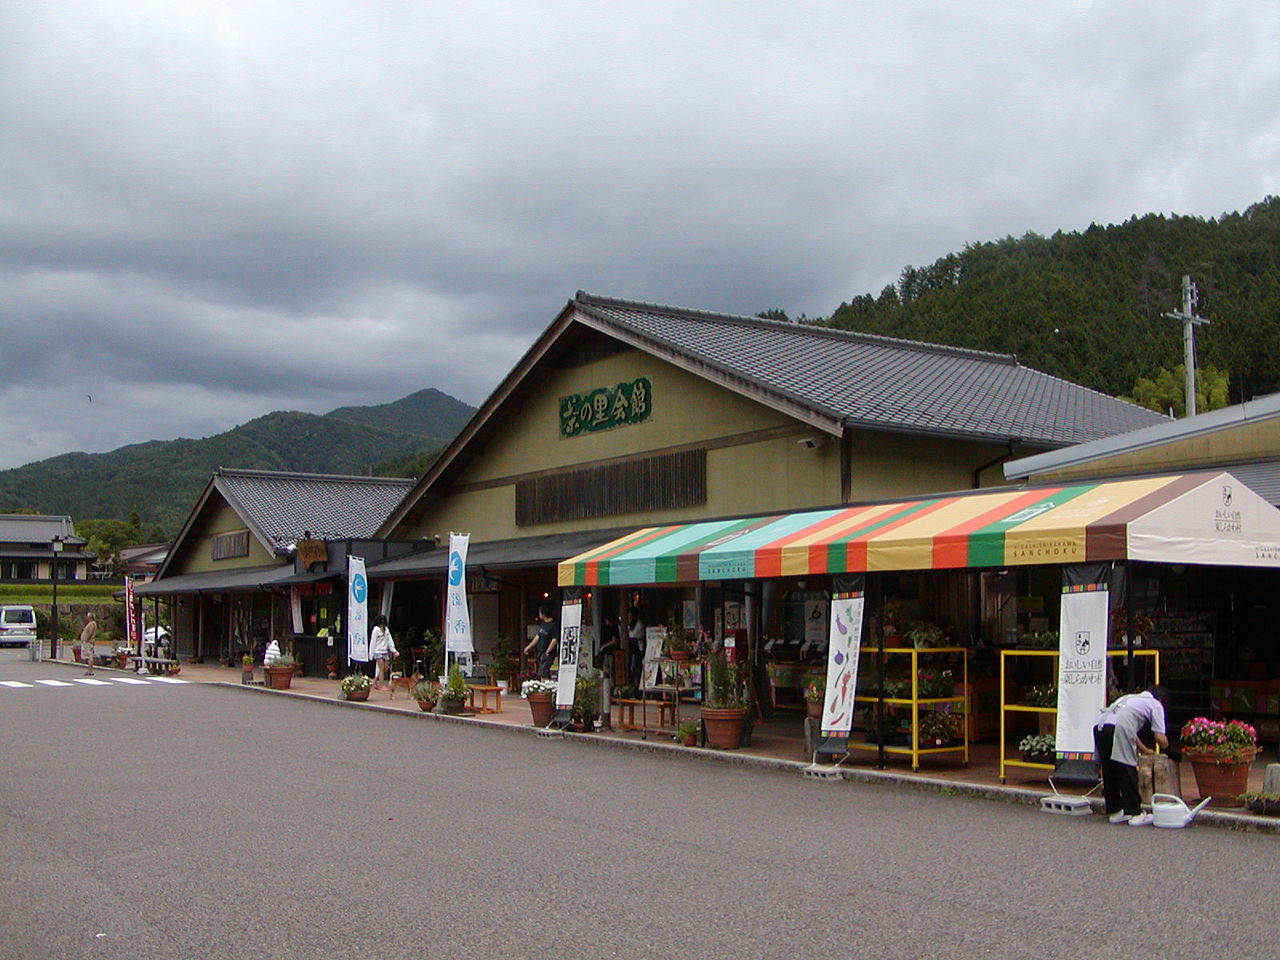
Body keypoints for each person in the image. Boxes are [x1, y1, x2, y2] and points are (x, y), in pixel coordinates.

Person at [1093, 684, 1169, 826]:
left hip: (1100, 727)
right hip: (1118, 728)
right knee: (1127, 768)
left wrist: (1145, 750)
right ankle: (1135, 813)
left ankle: (1115, 811)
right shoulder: (1155, 704)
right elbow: (1159, 737)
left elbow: (1129, 730)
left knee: (1109, 769)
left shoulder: (1129, 698)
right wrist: (1169, 749)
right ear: (1161, 699)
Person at [523, 605, 559, 678]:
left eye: (540, 613)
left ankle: (544, 688)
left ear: (544, 614)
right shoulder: (543, 624)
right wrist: (529, 646)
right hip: (540, 651)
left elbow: (554, 639)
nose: (539, 614)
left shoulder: (554, 625)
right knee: (542, 673)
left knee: (543, 673)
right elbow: (538, 636)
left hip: (547, 653)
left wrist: (548, 651)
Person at [369, 614, 398, 690]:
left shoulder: (386, 630)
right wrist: (371, 654)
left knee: (385, 669)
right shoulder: (375, 630)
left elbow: (389, 640)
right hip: (377, 651)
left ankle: (374, 680)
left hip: (385, 651)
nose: (382, 623)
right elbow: (373, 642)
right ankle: (381, 685)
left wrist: (393, 650)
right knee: (381, 668)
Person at [626, 607, 645, 685]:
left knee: (638, 666)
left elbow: (641, 635)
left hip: (638, 648)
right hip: (631, 647)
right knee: (631, 664)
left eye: (630, 614)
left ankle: (638, 683)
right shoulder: (630, 624)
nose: (629, 616)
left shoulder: (639, 624)